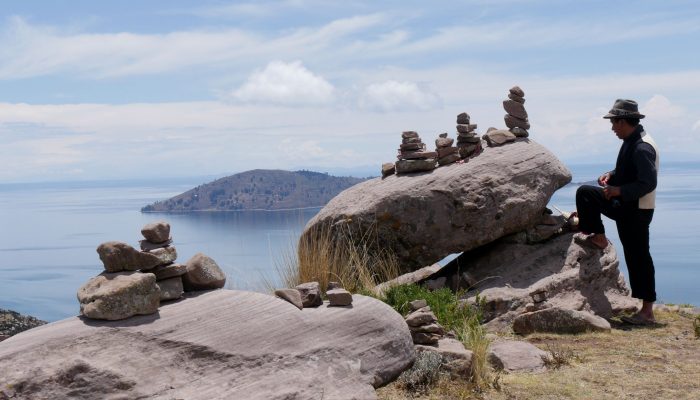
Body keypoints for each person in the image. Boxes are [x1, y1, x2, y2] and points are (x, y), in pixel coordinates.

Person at [575, 99, 659, 325]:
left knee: (639, 257)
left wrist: (618, 190)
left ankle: (647, 312)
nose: (612, 128)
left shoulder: (642, 146)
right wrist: (611, 176)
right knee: (586, 193)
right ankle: (599, 237)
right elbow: (629, 170)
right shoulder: (632, 141)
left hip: (636, 210)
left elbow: (648, 182)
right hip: (627, 206)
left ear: (623, 121)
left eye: (613, 123)